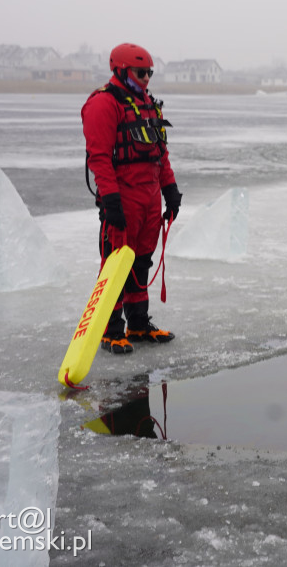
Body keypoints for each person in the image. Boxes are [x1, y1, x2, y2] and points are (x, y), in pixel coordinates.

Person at [82, 43, 182, 354]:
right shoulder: (104, 104)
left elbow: (160, 155)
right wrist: (111, 201)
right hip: (123, 196)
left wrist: (171, 190)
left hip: (150, 198)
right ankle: (110, 329)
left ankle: (138, 324)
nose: (147, 78)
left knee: (141, 262)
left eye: (150, 72)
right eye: (141, 72)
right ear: (122, 71)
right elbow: (98, 158)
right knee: (116, 264)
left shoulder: (148, 104)